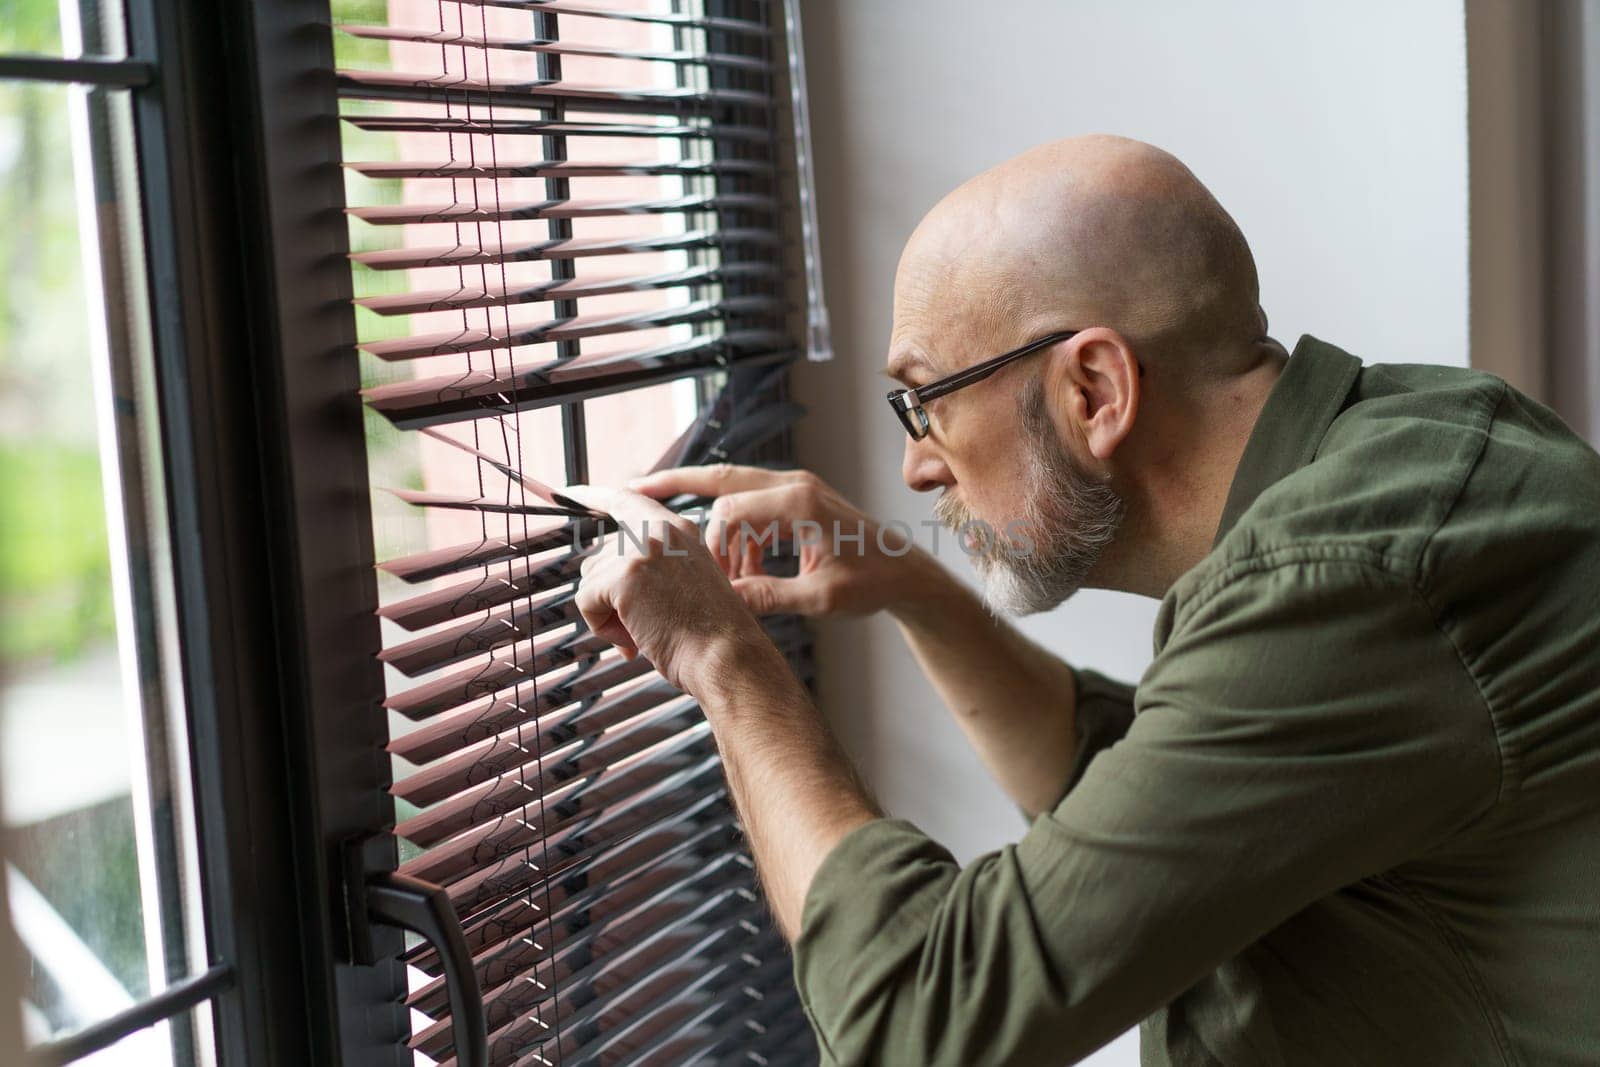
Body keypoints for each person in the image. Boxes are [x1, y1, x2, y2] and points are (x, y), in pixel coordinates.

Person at [562, 135, 1600, 1065]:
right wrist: (915, 588)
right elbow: (1137, 802)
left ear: (1093, 390)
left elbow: (914, 1023)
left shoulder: (1345, 576)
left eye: (923, 402)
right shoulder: (1410, 439)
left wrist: (724, 662)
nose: (917, 469)